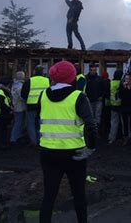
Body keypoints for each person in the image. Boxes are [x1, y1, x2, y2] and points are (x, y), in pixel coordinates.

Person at [38, 61, 96, 223]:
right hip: (74, 153)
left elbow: (40, 119)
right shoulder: (79, 97)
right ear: (72, 77)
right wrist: (90, 147)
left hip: (48, 152)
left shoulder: (43, 95)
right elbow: (91, 125)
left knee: (49, 196)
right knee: (79, 195)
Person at [21, 65, 50, 146]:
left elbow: (23, 94)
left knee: (31, 123)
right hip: (43, 105)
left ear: (34, 71)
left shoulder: (29, 81)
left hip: (31, 105)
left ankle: (33, 141)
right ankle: (41, 140)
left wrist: (29, 99)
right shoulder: (47, 81)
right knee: (41, 123)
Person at [10, 71, 27, 145]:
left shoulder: (14, 85)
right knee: (19, 122)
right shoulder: (20, 86)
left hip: (16, 106)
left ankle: (16, 137)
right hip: (20, 107)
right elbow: (22, 97)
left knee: (17, 122)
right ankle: (14, 138)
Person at [107, 70, 123, 145]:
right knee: (124, 122)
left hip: (113, 105)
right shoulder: (121, 83)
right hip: (121, 105)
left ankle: (111, 138)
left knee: (113, 122)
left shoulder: (111, 83)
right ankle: (125, 136)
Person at [100, 71, 111, 139]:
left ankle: (102, 131)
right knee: (108, 117)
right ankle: (107, 130)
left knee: (102, 117)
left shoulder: (101, 82)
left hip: (102, 101)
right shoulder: (108, 82)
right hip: (108, 101)